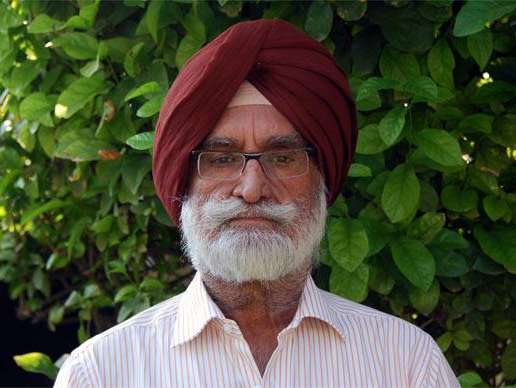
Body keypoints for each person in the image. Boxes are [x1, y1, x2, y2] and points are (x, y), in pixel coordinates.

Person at [55, 19, 460, 387]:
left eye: (282, 158)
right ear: (184, 183)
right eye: (222, 159)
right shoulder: (102, 373)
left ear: (323, 178)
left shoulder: (406, 364)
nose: (251, 189)